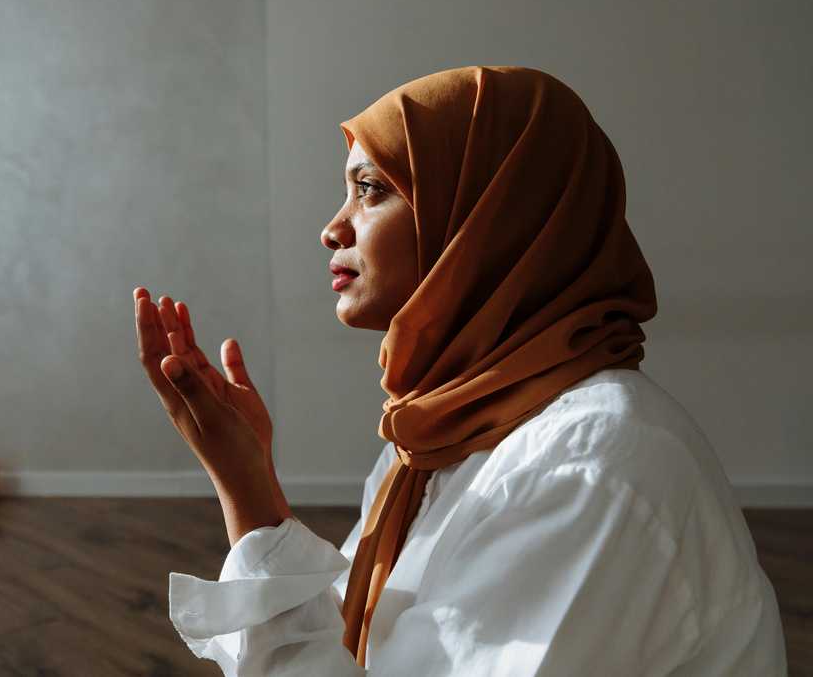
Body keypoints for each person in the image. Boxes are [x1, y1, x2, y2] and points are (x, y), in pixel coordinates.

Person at [136, 65, 787, 675]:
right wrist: (248, 482)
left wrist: (250, 497)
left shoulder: (591, 464)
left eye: (370, 188)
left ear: (487, 217)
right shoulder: (435, 435)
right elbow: (356, 643)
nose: (332, 228)